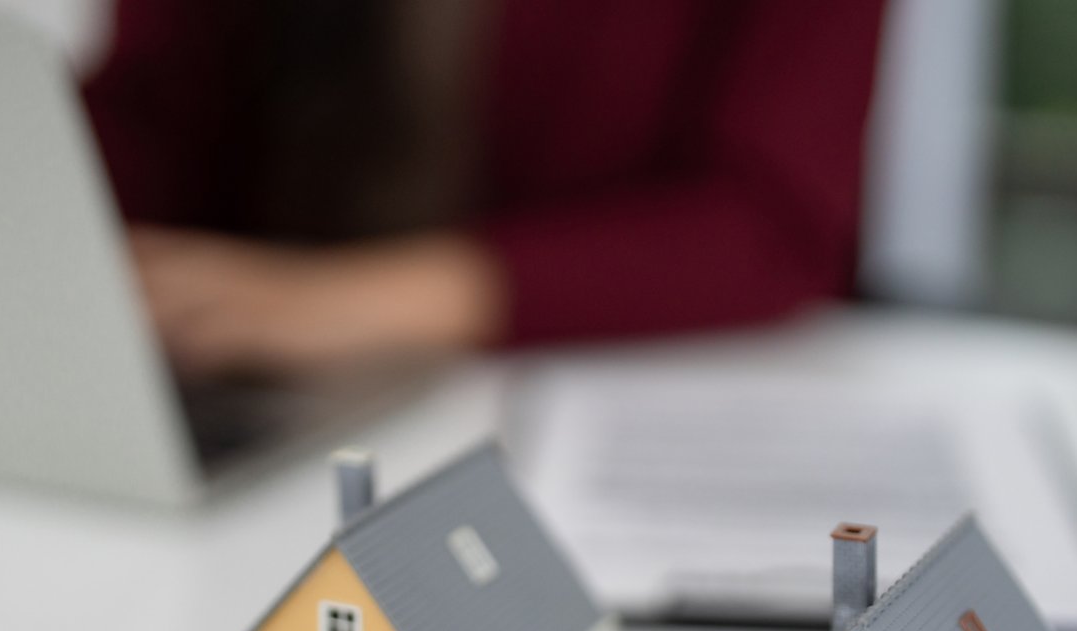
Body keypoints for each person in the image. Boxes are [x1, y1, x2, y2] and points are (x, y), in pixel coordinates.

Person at [83, 0, 886, 377]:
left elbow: (775, 221)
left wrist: (334, 300)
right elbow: (144, 122)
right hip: (223, 365)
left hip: (564, 380)